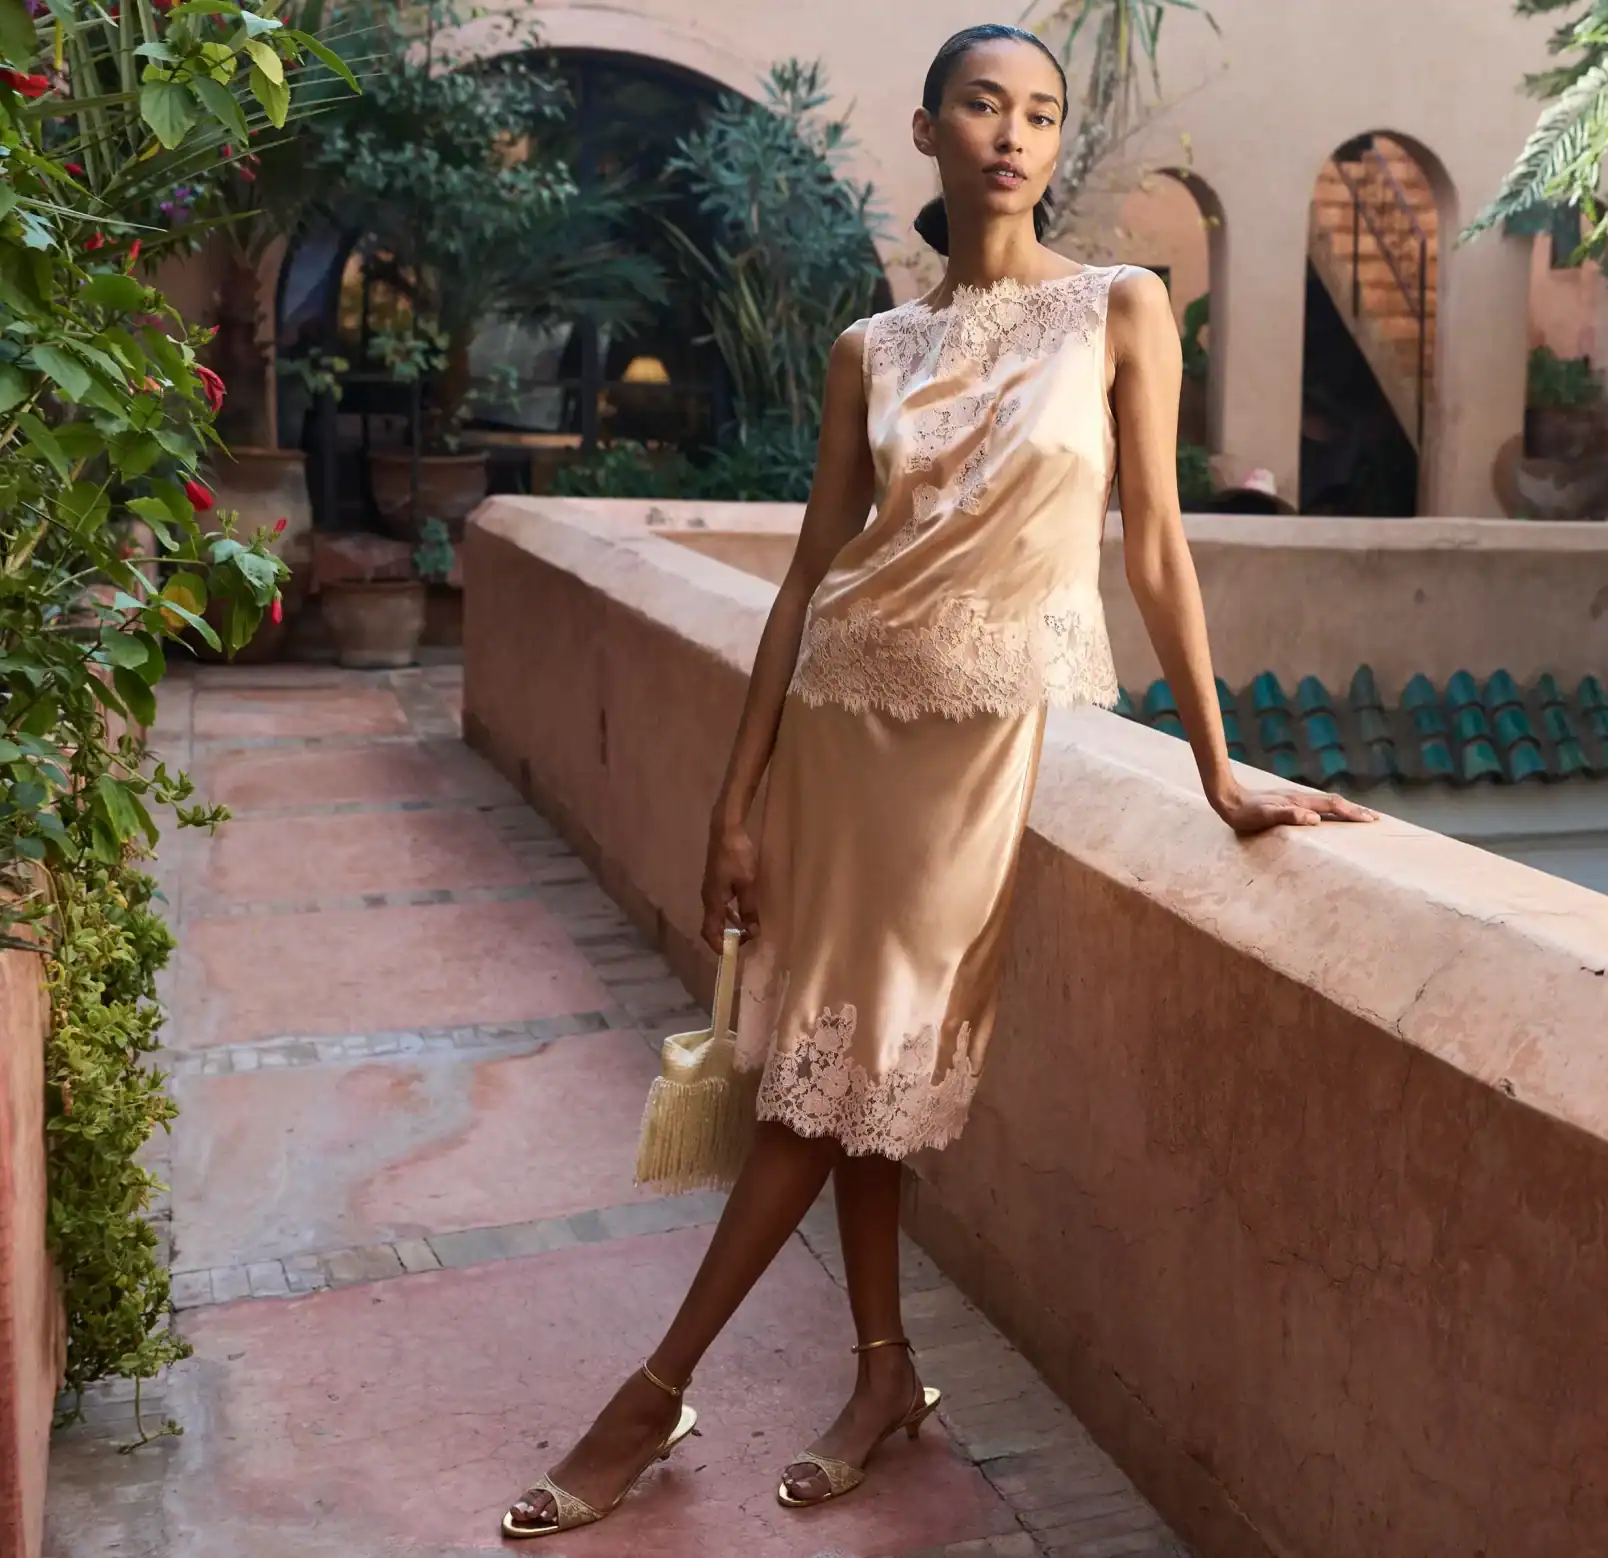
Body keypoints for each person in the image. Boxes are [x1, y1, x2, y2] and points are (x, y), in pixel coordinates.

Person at [498, 22, 1377, 1539]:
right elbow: (806, 578)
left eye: (1039, 112)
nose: (1013, 135)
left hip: (976, 741)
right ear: (929, 130)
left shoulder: (1122, 310)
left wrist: (1221, 767)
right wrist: (732, 799)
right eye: (984, 105)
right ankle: (884, 1374)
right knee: (850, 1069)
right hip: (841, 727)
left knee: (846, 1073)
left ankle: (653, 1390)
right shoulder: (870, 350)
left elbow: (1157, 544)